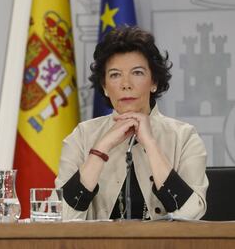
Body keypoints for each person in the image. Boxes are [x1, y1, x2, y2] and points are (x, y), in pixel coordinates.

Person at [55, 26, 208, 221]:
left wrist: (151, 145)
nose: (126, 84)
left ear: (154, 82)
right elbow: (60, 218)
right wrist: (101, 148)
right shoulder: (82, 135)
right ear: (105, 87)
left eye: (137, 72)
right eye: (115, 75)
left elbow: (191, 215)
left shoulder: (184, 136)